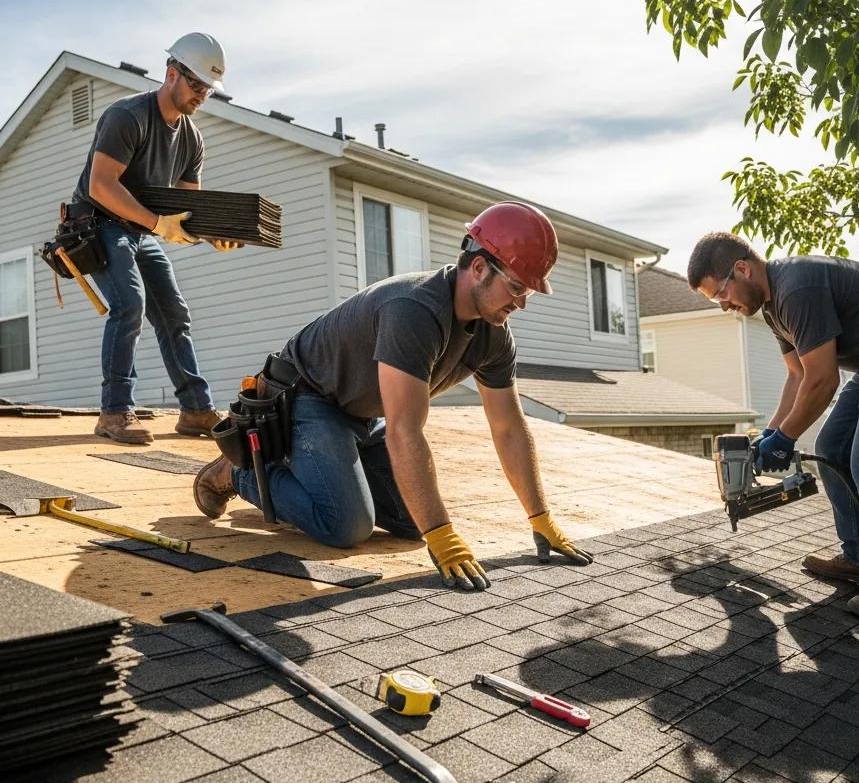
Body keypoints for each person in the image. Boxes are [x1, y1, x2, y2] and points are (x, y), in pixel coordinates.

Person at [193, 201, 594, 590]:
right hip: (308, 401)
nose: (521, 303)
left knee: (408, 521)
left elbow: (509, 427)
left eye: (530, 292)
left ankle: (321, 479)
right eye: (517, 287)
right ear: (478, 267)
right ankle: (242, 472)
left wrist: (540, 518)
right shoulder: (413, 310)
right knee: (348, 525)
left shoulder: (493, 336)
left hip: (362, 414)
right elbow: (405, 431)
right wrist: (442, 537)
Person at [688, 232, 859, 630]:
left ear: (742, 269)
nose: (724, 305)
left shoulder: (797, 288)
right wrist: (771, 433)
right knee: (832, 448)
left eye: (720, 295)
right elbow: (798, 377)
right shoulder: (772, 307)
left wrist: (785, 439)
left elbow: (823, 380)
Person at [73, 32, 239, 445]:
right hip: (98, 223)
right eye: (197, 84)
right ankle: (114, 413)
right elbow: (101, 185)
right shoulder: (126, 116)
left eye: (208, 89)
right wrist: (157, 224)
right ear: (171, 73)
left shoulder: (192, 139)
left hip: (140, 229)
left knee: (173, 313)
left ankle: (197, 410)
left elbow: (189, 209)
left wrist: (212, 233)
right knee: (129, 305)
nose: (202, 95)